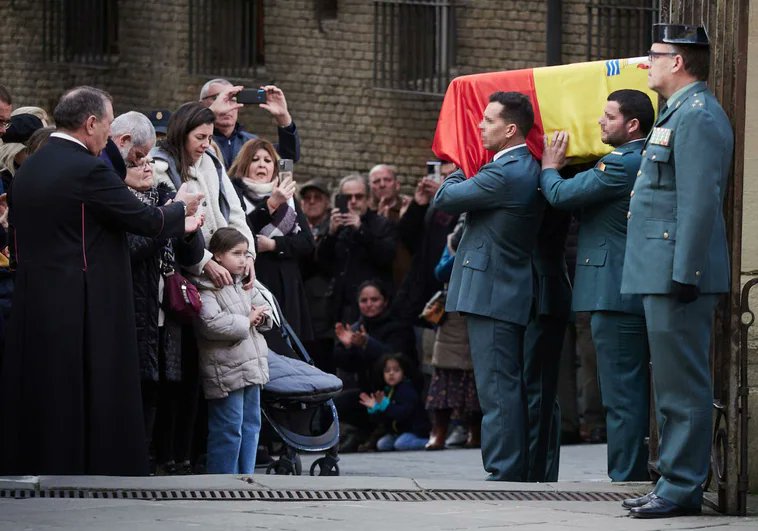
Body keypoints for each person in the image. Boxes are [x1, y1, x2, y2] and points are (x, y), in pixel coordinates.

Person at [0, 86, 203, 476]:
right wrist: (182, 210)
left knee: (46, 390)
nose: (109, 136)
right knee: (84, 391)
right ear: (91, 123)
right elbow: (146, 219)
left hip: (34, 300)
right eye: (108, 126)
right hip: (83, 303)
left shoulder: (33, 167)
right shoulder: (86, 168)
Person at [620, 24, 734, 519]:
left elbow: (699, 201)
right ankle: (672, 479)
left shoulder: (700, 116)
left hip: (676, 271)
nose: (647, 63)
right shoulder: (678, 112)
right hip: (658, 266)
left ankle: (683, 486)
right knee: (668, 384)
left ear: (679, 62)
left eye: (655, 55)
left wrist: (685, 271)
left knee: (683, 384)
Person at [540, 89, 655, 482]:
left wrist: (550, 166)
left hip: (614, 292)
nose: (601, 122)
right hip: (628, 291)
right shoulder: (637, 158)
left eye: (609, 116)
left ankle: (626, 475)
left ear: (632, 124)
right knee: (631, 388)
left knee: (621, 393)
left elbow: (559, 195)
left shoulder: (622, 163)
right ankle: (633, 469)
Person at [432, 91, 544, 481]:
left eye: (489, 120)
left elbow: (445, 198)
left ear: (511, 129)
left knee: (497, 388)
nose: (480, 126)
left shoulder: (506, 171)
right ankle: (509, 467)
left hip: (495, 292)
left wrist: (464, 161)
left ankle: (505, 472)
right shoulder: (515, 167)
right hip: (502, 290)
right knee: (502, 385)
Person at [113, 111, 206, 475]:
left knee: (165, 385)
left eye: (152, 160)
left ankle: (162, 455)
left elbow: (193, 255)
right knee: (138, 384)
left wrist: (186, 226)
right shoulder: (122, 202)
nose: (147, 167)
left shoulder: (165, 195)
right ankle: (138, 458)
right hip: (136, 304)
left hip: (167, 307)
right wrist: (169, 219)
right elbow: (135, 247)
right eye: (140, 161)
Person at [193, 227, 272, 474]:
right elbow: (210, 324)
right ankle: (223, 480)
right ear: (217, 255)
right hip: (226, 369)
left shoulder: (245, 283)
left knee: (251, 424)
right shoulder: (206, 286)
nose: (243, 259)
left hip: (251, 365)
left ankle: (245, 476)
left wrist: (261, 318)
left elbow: (265, 308)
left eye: (245, 253)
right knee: (228, 427)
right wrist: (247, 320)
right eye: (236, 253)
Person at [228, 138, 315, 340]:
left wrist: (274, 245)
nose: (261, 165)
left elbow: (307, 243)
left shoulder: (288, 197)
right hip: (252, 280)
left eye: (267, 161)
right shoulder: (234, 193)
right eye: (255, 159)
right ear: (244, 165)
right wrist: (270, 205)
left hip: (286, 284)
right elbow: (239, 231)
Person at [333, 280, 416, 451]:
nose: (369, 304)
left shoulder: (398, 326)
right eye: (364, 301)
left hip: (397, 395)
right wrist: (347, 347)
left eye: (374, 300)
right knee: (335, 405)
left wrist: (367, 343)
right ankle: (358, 433)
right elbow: (346, 364)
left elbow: (397, 360)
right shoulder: (356, 328)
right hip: (368, 392)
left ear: (385, 301)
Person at [424, 216, 481, 451]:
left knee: (475, 378)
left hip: (479, 306)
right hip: (454, 310)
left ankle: (475, 432)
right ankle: (439, 431)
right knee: (445, 375)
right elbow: (440, 271)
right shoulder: (454, 236)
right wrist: (461, 253)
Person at [318, 174, 397, 324]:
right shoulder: (336, 224)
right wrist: (331, 234)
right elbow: (322, 263)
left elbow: (386, 256)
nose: (353, 202)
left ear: (367, 199)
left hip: (373, 311)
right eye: (348, 197)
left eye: (358, 197)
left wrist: (360, 229)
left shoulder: (382, 224)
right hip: (342, 308)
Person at [199, 78, 300, 168]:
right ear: (201, 104)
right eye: (217, 99)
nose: (226, 106)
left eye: (232, 99)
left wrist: (283, 116)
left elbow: (288, 158)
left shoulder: (250, 142)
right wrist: (210, 113)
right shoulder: (196, 139)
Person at [299, 178, 336, 373]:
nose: (311, 202)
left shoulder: (333, 227)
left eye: (317, 198)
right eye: (307, 198)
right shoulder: (295, 227)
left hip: (324, 306)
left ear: (327, 202)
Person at [360, 353, 431, 452]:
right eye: (387, 371)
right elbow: (383, 419)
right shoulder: (387, 391)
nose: (391, 374)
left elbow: (402, 413)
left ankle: (429, 442)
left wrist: (385, 406)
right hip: (398, 432)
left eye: (396, 370)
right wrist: (376, 408)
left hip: (414, 430)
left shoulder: (407, 390)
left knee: (401, 444)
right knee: (382, 444)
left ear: (404, 372)